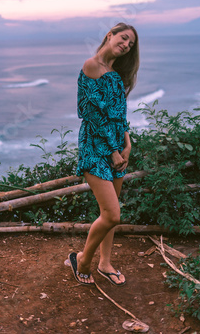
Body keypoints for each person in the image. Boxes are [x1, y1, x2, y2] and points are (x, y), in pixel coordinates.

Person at [68, 22, 139, 286]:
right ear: (110, 35)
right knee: (112, 214)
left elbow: (119, 116)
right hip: (96, 148)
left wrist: (127, 144)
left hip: (117, 149)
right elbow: (90, 114)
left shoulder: (115, 74)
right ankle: (83, 260)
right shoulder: (91, 66)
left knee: (109, 213)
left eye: (130, 44)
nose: (125, 45)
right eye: (123, 38)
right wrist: (113, 151)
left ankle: (104, 263)